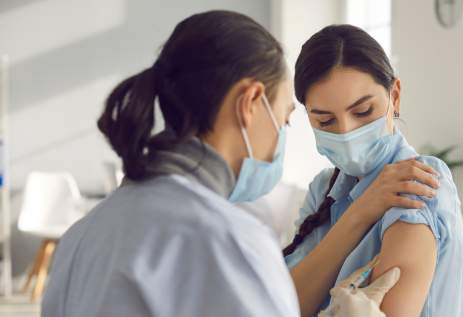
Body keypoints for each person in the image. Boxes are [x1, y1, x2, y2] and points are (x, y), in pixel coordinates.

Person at [40, 11, 407, 317]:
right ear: (250, 103)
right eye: (285, 118)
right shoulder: (227, 240)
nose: (282, 134)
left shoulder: (80, 237)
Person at [284, 25, 463, 317]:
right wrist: (361, 211)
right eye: (326, 121)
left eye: (363, 112)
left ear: (394, 97)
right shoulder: (323, 189)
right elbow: (285, 306)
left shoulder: (419, 179)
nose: (346, 133)